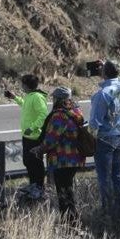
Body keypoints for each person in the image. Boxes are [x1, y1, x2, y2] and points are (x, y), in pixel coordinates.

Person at [30, 87, 85, 223]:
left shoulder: (59, 115)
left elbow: (51, 139)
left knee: (63, 193)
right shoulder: (75, 111)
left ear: (58, 99)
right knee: (67, 189)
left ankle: (70, 223)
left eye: (54, 98)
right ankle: (72, 221)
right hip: (75, 158)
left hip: (62, 159)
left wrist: (38, 149)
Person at [89, 60, 120, 212]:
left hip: (105, 138)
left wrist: (89, 140)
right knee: (117, 175)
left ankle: (107, 210)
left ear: (104, 73)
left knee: (104, 177)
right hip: (118, 135)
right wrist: (107, 66)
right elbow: (119, 76)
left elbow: (94, 122)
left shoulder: (102, 95)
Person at [5, 74, 48, 200]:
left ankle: (39, 187)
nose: (21, 86)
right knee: (28, 161)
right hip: (28, 135)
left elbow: (43, 114)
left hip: (34, 136)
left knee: (35, 162)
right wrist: (14, 98)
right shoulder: (30, 96)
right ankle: (33, 185)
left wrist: (33, 128)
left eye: (22, 83)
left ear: (27, 85)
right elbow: (25, 105)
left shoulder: (37, 97)